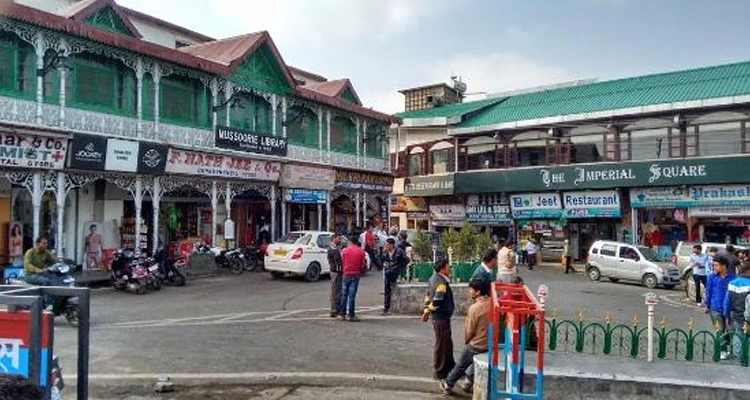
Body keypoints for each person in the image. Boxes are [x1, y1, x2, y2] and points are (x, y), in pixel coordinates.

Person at [441, 277, 491, 395]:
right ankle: (468, 382)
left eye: (471, 289)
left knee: (461, 364)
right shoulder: (492, 303)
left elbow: (469, 330)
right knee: (474, 362)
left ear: (478, 292)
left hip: (477, 343)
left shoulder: (475, 308)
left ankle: (448, 384)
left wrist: (467, 341)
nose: (470, 291)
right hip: (489, 343)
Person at [422, 258, 455, 380]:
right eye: (448, 266)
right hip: (441, 317)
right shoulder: (441, 282)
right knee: (441, 344)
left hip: (440, 317)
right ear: (442, 268)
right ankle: (440, 371)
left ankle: (450, 367)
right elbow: (437, 300)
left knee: (446, 343)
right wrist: (429, 310)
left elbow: (427, 295)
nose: (449, 268)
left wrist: (426, 309)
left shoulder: (433, 278)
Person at [703, 255, 736, 360]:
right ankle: (723, 350)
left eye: (716, 265)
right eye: (713, 265)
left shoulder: (733, 278)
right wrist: (707, 305)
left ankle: (729, 347)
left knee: (729, 330)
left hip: (729, 309)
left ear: (724, 266)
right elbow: (708, 292)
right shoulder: (711, 277)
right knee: (719, 330)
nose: (714, 267)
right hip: (715, 308)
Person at [724, 260, 750, 361]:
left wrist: (727, 315)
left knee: (739, 336)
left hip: (737, 315)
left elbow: (727, 302)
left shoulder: (732, 283)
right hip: (748, 316)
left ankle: (740, 358)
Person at [340, 235, 367, 322]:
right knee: (352, 295)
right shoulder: (361, 251)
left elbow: (342, 262)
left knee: (344, 294)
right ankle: (351, 315)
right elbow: (362, 264)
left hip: (346, 273)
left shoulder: (344, 250)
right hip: (355, 274)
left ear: (350, 242)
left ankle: (342, 314)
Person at [381, 238, 408, 316]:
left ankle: (388, 307)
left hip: (395, 271)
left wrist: (399, 266)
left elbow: (406, 260)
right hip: (388, 271)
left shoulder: (399, 251)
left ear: (392, 245)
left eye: (387, 245)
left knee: (389, 285)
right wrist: (385, 264)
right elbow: (382, 260)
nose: (386, 246)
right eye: (386, 245)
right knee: (387, 288)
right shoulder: (385, 252)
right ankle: (387, 307)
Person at [327, 234, 343, 318]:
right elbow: (337, 259)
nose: (340, 240)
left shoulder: (335, 247)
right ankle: (335, 310)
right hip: (336, 271)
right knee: (336, 291)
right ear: (334, 239)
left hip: (335, 271)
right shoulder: (333, 248)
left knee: (336, 290)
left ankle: (336, 309)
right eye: (338, 239)